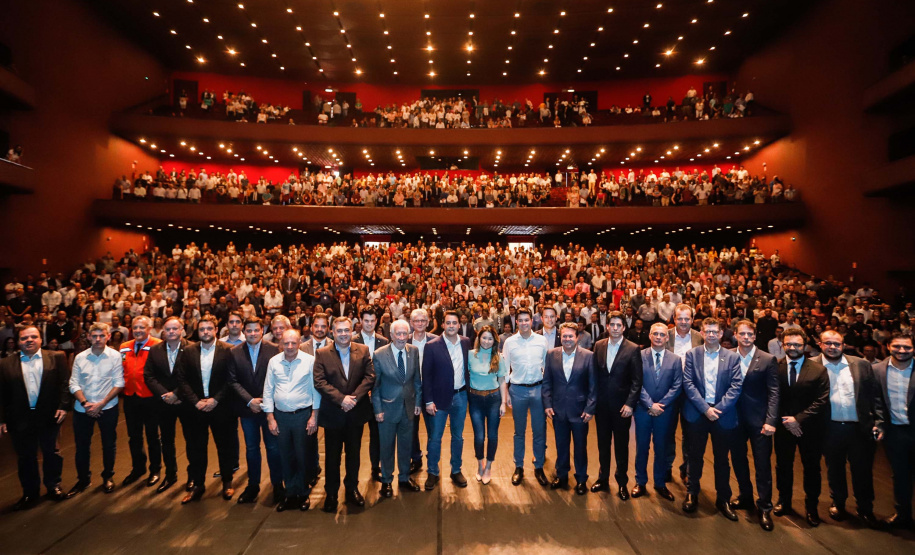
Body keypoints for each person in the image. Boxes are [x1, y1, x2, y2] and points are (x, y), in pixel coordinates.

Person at [814, 330, 879, 527]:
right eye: (828, 343)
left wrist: (877, 421)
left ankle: (865, 507)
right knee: (835, 468)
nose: (832, 347)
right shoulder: (811, 366)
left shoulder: (861, 364)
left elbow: (874, 396)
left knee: (863, 470)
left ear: (843, 345)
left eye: (836, 343)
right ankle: (838, 503)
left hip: (859, 428)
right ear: (820, 344)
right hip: (829, 427)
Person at [0, 326, 70, 510]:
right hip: (19, 419)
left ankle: (53, 486)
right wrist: (2, 419)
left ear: (41, 339)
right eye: (24, 338)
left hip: (49, 416)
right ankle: (30, 493)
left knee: (52, 453)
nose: (29, 340)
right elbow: (2, 394)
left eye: (33, 337)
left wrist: (64, 406)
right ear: (17, 341)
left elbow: (65, 383)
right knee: (25, 457)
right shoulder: (5, 364)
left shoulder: (56, 357)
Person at [681, 317, 743, 520]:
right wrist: (705, 409)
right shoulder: (692, 355)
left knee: (722, 460)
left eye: (715, 331)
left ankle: (723, 498)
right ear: (701, 333)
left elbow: (736, 387)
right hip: (698, 413)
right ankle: (692, 493)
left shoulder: (732, 357)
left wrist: (718, 409)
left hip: (722, 415)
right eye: (707, 331)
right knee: (694, 456)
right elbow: (688, 383)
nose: (711, 335)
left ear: (721, 333)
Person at [313, 317, 375, 512]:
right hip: (333, 414)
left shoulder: (363, 350)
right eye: (339, 331)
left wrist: (354, 398)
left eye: (346, 330)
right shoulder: (322, 353)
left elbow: (370, 376)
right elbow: (320, 382)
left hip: (356, 413)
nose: (343, 334)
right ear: (332, 332)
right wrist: (341, 399)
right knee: (332, 456)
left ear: (352, 331)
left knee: (354, 454)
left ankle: (352, 489)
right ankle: (331, 493)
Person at [176, 315, 238, 503]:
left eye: (209, 328)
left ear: (216, 330)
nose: (205, 332)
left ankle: (227, 482)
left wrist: (215, 400)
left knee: (224, 447)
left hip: (221, 407)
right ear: (198, 331)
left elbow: (231, 379)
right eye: (202, 329)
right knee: (196, 448)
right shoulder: (188, 351)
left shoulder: (228, 351)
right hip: (195, 409)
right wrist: (195, 401)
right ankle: (198, 485)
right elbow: (182, 379)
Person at [773, 328, 830, 527]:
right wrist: (787, 421)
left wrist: (798, 419)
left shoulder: (818, 369)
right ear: (783, 345)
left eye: (797, 344)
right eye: (788, 344)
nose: (792, 348)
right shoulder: (775, 367)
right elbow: (772, 398)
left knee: (812, 468)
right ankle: (784, 501)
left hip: (810, 428)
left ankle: (811, 507)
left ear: (804, 346)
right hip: (783, 427)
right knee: (783, 466)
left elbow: (822, 400)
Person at [730, 320, 779, 531]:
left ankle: (765, 506)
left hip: (760, 422)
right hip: (733, 420)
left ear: (755, 336)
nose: (746, 337)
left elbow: (775, 392)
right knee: (739, 460)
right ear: (735, 335)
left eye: (750, 334)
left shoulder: (768, 359)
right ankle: (745, 496)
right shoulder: (728, 355)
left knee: (762, 465)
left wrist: (770, 421)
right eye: (742, 334)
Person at [227, 316, 282, 504]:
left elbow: (278, 378)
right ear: (244, 330)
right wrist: (249, 400)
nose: (252, 333)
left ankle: (277, 485)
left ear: (262, 330)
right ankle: (253, 486)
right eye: (248, 330)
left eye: (256, 330)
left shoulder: (274, 350)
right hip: (247, 408)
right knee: (251, 449)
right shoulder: (234, 352)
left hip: (270, 410)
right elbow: (232, 380)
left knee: (273, 448)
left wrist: (266, 401)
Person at [264, 329, 320, 512]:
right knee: (285, 456)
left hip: (303, 416)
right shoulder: (273, 362)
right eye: (286, 343)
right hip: (280, 417)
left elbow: (315, 390)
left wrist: (314, 416)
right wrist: (270, 417)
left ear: (299, 343)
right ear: (281, 344)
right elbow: (268, 390)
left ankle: (303, 493)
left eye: (293, 343)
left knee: (302, 455)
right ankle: (290, 494)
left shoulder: (309, 361)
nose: (289, 347)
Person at [590, 311, 642, 499]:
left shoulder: (633, 348)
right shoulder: (599, 345)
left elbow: (637, 381)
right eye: (612, 324)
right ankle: (603, 479)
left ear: (624, 327)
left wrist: (630, 404)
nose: (615, 328)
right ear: (608, 326)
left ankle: (622, 482)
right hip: (602, 406)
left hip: (622, 408)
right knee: (602, 444)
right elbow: (594, 377)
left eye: (618, 325)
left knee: (621, 445)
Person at [67, 322, 123, 497]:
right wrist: (85, 404)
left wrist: (101, 404)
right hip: (82, 409)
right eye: (94, 336)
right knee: (82, 447)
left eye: (102, 335)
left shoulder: (115, 356)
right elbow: (73, 383)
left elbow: (119, 383)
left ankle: (108, 477)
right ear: (89, 337)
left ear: (108, 336)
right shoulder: (80, 357)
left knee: (109, 445)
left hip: (108, 407)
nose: (98, 339)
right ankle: (83, 480)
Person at [542, 323, 596, 494]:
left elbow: (593, 386)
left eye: (570, 336)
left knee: (580, 447)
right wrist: (548, 404)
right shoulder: (551, 355)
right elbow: (547, 382)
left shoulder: (588, 356)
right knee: (561, 445)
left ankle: (581, 478)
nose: (567, 339)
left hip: (580, 411)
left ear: (577, 337)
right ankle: (562, 475)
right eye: (564, 336)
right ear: (560, 337)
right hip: (558, 410)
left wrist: (589, 408)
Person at [372, 320, 423, 497]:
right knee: (386, 446)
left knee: (405, 445)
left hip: (408, 408)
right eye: (398, 334)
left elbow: (417, 380)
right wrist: (377, 409)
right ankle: (386, 480)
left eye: (405, 334)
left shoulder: (414, 351)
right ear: (391, 335)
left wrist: (418, 403)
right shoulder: (379, 354)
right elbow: (375, 386)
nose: (402, 337)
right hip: (386, 409)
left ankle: (404, 477)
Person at [422, 310, 471, 490]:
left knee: (458, 437)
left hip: (461, 396)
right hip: (438, 400)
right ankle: (432, 471)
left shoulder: (466, 343)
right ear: (443, 325)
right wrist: (428, 401)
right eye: (448, 323)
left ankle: (456, 470)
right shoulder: (432, 346)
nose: (451, 326)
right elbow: (426, 376)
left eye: (454, 323)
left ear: (460, 325)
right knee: (435, 438)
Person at [632, 323, 682, 502]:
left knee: (661, 448)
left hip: (665, 411)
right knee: (642, 447)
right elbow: (636, 382)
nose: (659, 337)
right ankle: (640, 482)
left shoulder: (675, 360)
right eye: (655, 334)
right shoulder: (639, 355)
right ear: (650, 336)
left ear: (667, 337)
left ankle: (660, 483)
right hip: (643, 409)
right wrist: (649, 404)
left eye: (662, 334)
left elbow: (677, 385)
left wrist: (661, 404)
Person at [501, 307, 550, 487]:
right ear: (516, 322)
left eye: (526, 320)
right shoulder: (509, 342)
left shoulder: (542, 341)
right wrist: (505, 394)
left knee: (539, 431)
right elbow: (505, 370)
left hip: (538, 390)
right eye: (520, 320)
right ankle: (519, 466)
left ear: (532, 321)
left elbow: (547, 366)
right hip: (518, 391)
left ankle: (538, 467)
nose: (523, 323)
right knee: (519, 432)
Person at [143, 316, 192, 494]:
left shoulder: (192, 348)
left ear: (181, 330)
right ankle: (170, 475)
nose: (171, 332)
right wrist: (165, 394)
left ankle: (193, 476)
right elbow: (148, 376)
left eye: (174, 328)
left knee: (191, 440)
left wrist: (177, 394)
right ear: (163, 331)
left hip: (186, 401)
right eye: (168, 329)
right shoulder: (155, 350)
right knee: (167, 441)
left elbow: (194, 375)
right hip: (163, 403)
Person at [873, 331, 915, 529]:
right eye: (897, 346)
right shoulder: (878, 370)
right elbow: (877, 402)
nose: (902, 350)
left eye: (907, 347)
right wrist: (879, 423)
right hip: (895, 432)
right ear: (887, 347)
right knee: (900, 475)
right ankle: (903, 514)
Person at [119, 316, 163, 488]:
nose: (138, 330)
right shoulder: (124, 347)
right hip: (130, 397)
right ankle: (138, 468)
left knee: (153, 436)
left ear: (149, 328)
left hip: (151, 398)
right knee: (134, 436)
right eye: (135, 327)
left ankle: (155, 469)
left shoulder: (158, 345)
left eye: (141, 327)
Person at [467, 325, 508, 485]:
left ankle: (489, 466)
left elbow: (502, 381)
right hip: (475, 400)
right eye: (484, 337)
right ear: (478, 338)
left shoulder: (498, 357)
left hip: (493, 399)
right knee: (478, 437)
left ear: (494, 340)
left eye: (490, 338)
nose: (486, 341)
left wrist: (503, 403)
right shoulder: (470, 355)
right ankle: (480, 464)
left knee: (492, 435)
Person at [352, 307, 390, 483]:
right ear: (360, 321)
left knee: (377, 435)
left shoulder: (384, 342)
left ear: (377, 321)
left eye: (372, 320)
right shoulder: (352, 341)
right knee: (355, 438)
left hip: (378, 396)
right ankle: (354, 475)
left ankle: (376, 467)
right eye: (366, 320)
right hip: (358, 396)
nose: (369, 324)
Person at [666, 304, 703, 482]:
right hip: (669, 391)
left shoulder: (700, 338)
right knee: (667, 431)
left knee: (691, 433)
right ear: (674, 319)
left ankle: (687, 468)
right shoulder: (665, 336)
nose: (683, 322)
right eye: (679, 318)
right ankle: (666, 467)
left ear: (692, 320)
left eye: (687, 318)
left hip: (692, 392)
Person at [298, 313, 331, 486]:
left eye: (323, 326)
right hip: (308, 400)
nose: (319, 329)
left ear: (328, 328)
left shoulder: (335, 345)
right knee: (309, 439)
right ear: (311, 327)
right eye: (316, 326)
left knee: (332, 442)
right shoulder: (301, 347)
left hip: (330, 401)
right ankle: (312, 469)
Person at [408, 308, 435, 474]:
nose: (419, 323)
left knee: (433, 429)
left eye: (422, 321)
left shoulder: (436, 340)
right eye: (416, 321)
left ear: (428, 322)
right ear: (411, 323)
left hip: (430, 391)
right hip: (410, 391)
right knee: (411, 429)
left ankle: (433, 460)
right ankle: (415, 459)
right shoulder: (403, 339)